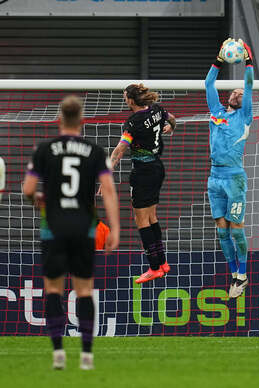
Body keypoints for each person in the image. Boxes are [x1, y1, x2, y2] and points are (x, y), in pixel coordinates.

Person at [22, 95, 120, 370]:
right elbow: (109, 191)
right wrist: (115, 228)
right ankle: (87, 355)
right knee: (85, 290)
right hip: (83, 226)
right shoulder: (94, 151)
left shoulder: (44, 149)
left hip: (53, 225)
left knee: (53, 289)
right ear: (82, 120)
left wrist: (38, 199)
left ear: (59, 119)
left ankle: (58, 354)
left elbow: (28, 189)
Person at [108, 84, 176, 284]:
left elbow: (120, 149)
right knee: (152, 216)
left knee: (141, 220)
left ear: (130, 100)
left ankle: (154, 267)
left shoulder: (133, 121)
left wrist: (106, 172)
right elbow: (172, 119)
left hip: (143, 173)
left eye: (124, 96)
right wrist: (170, 127)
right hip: (157, 168)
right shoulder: (157, 109)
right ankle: (162, 262)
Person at [206, 39, 254, 298]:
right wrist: (219, 61)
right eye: (235, 91)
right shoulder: (216, 112)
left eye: (241, 92)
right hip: (214, 177)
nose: (238, 92)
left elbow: (249, 83)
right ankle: (236, 275)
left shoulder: (245, 116)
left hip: (234, 178)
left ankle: (244, 273)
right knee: (221, 230)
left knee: (237, 229)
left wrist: (248, 61)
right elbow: (208, 84)